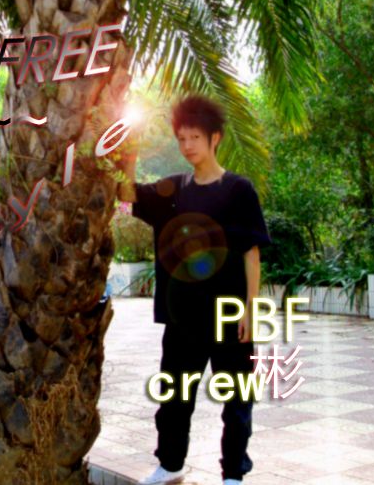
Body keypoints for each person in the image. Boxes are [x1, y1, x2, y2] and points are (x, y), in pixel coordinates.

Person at [116, 95, 271, 485]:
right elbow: (127, 193)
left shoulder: (239, 190)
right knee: (174, 395)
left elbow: (251, 253)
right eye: (182, 138)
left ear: (215, 138)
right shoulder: (174, 190)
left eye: (195, 137)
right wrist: (130, 151)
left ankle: (233, 474)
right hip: (182, 316)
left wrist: (251, 309)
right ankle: (170, 465)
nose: (187, 146)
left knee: (236, 397)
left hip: (228, 314)